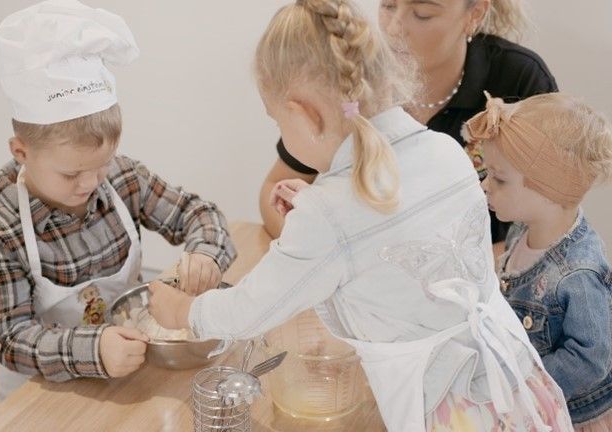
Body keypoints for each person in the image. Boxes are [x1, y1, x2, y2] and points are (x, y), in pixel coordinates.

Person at [148, 1, 572, 430]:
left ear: (304, 113)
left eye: (278, 122)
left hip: (452, 409)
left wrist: (184, 312)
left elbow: (251, 310)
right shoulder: (446, 151)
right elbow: (391, 230)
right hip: (514, 377)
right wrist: (316, 211)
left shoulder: (330, 213)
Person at [0, 0, 236, 382]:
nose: (91, 183)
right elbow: (11, 340)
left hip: (132, 376)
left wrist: (205, 256)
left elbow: (200, 214)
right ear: (21, 152)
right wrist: (93, 350)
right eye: (71, 173)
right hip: (50, 394)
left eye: (102, 164)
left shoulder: (123, 180)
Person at [260, 0, 558, 256]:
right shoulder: (357, 76)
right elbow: (274, 190)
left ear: (475, 13)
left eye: (422, 14)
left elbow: (555, 216)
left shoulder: (519, 80)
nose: (394, 28)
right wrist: (325, 252)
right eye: (388, 6)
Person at [465, 92, 612, 430]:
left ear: (550, 190)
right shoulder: (522, 230)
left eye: (499, 179)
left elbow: (591, 359)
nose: (485, 185)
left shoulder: (577, 274)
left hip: (568, 414)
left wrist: (525, 386)